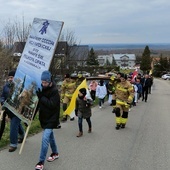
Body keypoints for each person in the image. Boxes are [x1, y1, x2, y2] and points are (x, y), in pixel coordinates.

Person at [35, 70, 60, 170]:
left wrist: (41, 97)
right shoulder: (41, 89)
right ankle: (55, 153)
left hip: (52, 118)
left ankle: (41, 162)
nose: (43, 84)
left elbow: (51, 104)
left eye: (45, 82)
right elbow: (39, 104)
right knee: (50, 137)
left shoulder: (55, 91)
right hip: (44, 118)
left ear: (50, 81)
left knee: (45, 139)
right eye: (42, 82)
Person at [0, 70, 25, 152]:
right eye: (9, 77)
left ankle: (13, 144)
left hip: (18, 109)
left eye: (12, 77)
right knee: (16, 124)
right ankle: (22, 135)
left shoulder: (20, 86)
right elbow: (2, 96)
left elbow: (24, 97)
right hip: (9, 110)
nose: (10, 79)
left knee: (13, 125)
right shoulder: (6, 86)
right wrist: (3, 101)